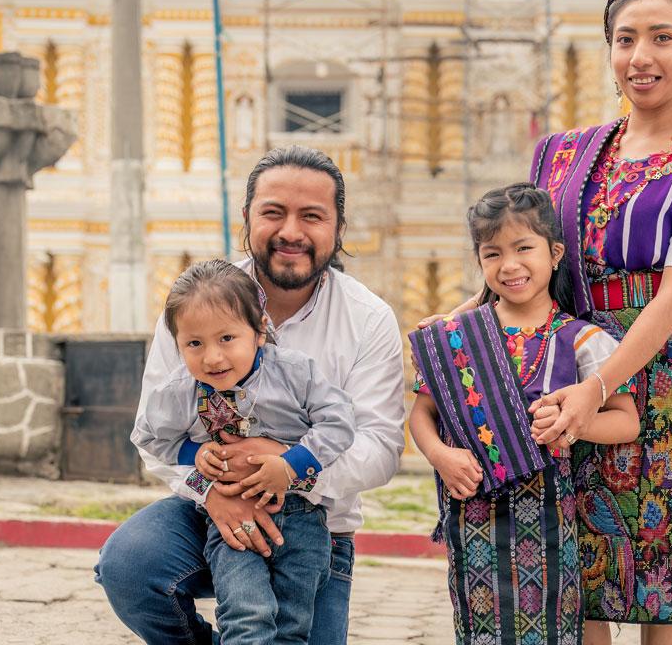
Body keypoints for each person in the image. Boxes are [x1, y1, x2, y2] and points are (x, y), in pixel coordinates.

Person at [421, 0, 672, 645]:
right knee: (577, 573)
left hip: (659, 387)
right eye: (625, 39)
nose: (641, 57)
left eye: (663, 38)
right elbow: (526, 257)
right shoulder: (560, 153)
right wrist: (470, 321)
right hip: (556, 371)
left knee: (661, 584)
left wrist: (598, 390)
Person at [95, 145, 405, 645]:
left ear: (338, 228)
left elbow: (380, 448)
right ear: (247, 218)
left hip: (315, 526)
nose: (291, 232)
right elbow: (157, 432)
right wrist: (212, 489)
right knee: (130, 564)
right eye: (273, 213)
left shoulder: (368, 319)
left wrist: (286, 465)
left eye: (312, 216)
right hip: (207, 515)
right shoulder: (193, 307)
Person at [409, 184, 638, 645]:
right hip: (472, 512)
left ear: (554, 253)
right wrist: (440, 456)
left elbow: (627, 420)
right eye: (492, 254)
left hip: (552, 517)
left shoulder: (581, 339)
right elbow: (421, 413)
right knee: (478, 628)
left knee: (552, 627)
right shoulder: (457, 336)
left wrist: (575, 423)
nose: (509, 265)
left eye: (523, 248)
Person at [133, 259, 355, 644]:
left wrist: (290, 465)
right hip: (230, 525)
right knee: (246, 618)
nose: (212, 358)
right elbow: (149, 437)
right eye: (194, 344)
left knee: (291, 626)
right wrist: (195, 454)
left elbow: (339, 423)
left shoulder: (295, 373)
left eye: (227, 339)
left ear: (259, 330)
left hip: (302, 520)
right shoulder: (180, 391)